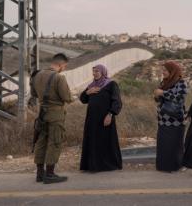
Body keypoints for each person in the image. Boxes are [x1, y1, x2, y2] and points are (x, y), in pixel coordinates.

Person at [31, 53, 74, 184]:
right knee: (55, 142)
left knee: (41, 141)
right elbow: (67, 98)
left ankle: (40, 174)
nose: (64, 69)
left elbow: (34, 94)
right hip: (55, 114)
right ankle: (50, 174)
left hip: (42, 114)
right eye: (64, 66)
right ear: (60, 65)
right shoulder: (59, 78)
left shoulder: (37, 75)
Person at [79, 64, 123, 172]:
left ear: (103, 72)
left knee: (105, 141)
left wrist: (110, 114)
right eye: (93, 71)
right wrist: (87, 92)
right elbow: (83, 99)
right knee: (93, 141)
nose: (94, 73)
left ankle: (107, 165)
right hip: (92, 120)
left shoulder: (111, 84)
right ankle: (92, 165)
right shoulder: (91, 86)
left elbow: (117, 101)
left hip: (105, 118)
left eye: (97, 71)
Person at [154, 61, 188, 172]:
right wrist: (156, 96)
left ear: (172, 71)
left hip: (176, 120)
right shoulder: (164, 82)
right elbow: (159, 100)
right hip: (163, 120)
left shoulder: (181, 83)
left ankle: (175, 166)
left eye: (165, 70)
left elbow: (179, 98)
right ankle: (163, 166)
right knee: (163, 144)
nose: (163, 72)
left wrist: (162, 93)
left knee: (175, 145)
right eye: (162, 70)